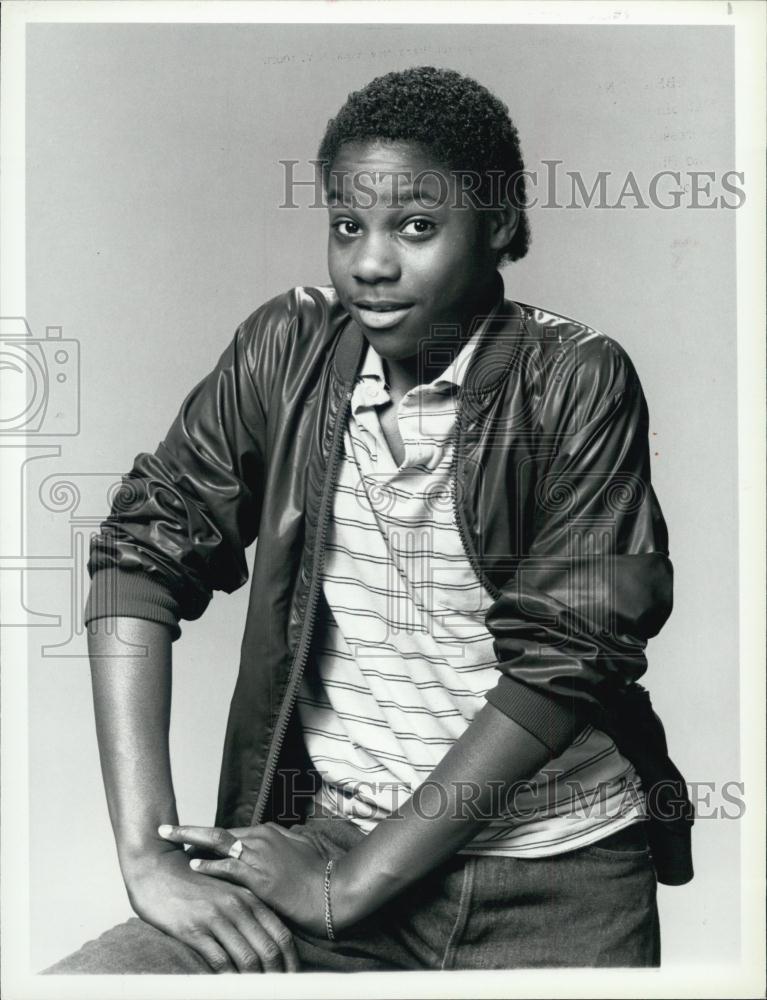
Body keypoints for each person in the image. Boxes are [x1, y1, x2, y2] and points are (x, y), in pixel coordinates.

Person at [45, 66, 693, 975]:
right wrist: (147, 855)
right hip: (328, 843)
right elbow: (138, 557)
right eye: (348, 225)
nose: (370, 263)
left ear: (498, 223)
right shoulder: (286, 348)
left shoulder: (573, 379)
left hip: (557, 888)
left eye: (416, 226)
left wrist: (347, 890)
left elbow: (567, 656)